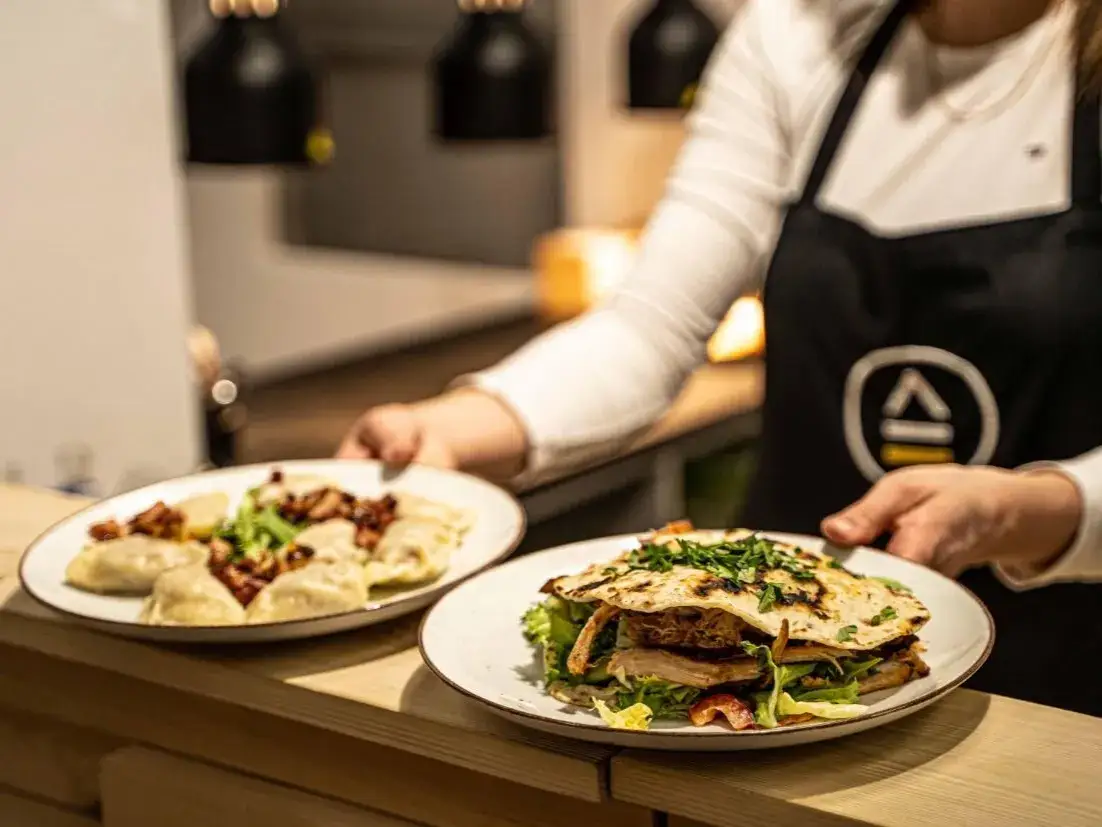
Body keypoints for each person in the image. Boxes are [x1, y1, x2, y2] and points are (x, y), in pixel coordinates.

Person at [340, 0, 1102, 716]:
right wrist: (451, 427)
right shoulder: (793, 32)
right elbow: (650, 326)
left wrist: (1023, 508)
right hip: (762, 649)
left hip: (1057, 668)